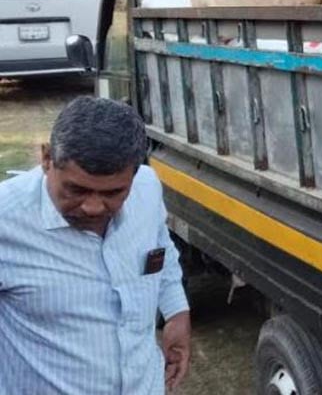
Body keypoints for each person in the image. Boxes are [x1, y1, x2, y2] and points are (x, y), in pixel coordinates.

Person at [0, 97, 191, 394]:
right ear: (47, 158)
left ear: (135, 173)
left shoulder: (147, 188)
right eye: (76, 189)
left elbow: (160, 250)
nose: (93, 207)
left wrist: (177, 312)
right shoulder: (6, 221)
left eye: (113, 193)